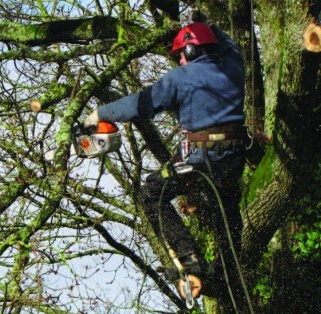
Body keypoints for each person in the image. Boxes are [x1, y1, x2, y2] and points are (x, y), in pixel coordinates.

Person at [84, 22, 247, 300]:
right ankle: (224, 276)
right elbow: (230, 45)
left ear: (192, 49)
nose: (180, 60)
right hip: (233, 162)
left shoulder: (181, 78)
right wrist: (210, 26)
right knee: (227, 222)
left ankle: (190, 257)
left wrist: (102, 112)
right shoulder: (234, 68)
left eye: (181, 54)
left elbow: (141, 104)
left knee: (151, 192)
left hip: (201, 162)